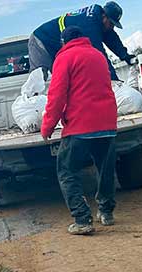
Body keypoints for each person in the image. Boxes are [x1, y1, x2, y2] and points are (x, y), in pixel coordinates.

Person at [41, 26, 118, 236]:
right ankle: (106, 213)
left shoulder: (65, 58)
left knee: (66, 171)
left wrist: (47, 126)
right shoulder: (98, 55)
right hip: (107, 123)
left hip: (80, 125)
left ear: (64, 42)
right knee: (105, 168)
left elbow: (56, 96)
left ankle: (82, 220)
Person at [29, 2, 134, 81]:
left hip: (59, 46)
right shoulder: (90, 24)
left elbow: (111, 38)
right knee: (38, 79)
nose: (112, 27)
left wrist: (125, 56)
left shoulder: (99, 19)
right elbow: (99, 56)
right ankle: (31, 106)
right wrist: (113, 81)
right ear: (104, 16)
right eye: (111, 24)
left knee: (66, 80)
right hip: (42, 41)